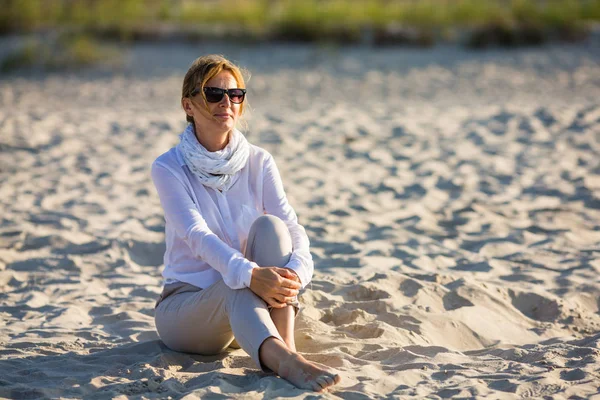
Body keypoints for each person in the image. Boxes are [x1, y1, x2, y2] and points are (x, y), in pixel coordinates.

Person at [150, 54, 341, 392]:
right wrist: (251, 275)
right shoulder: (169, 167)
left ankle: (284, 347)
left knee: (272, 228)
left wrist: (297, 271)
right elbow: (196, 235)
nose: (227, 102)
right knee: (234, 285)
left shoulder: (258, 160)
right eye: (214, 94)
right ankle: (286, 362)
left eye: (236, 94)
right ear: (189, 105)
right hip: (187, 311)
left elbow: (291, 227)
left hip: (252, 309)